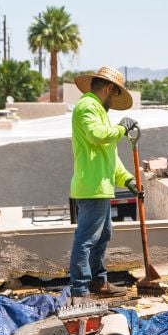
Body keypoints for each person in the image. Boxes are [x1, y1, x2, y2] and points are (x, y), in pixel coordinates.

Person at [68, 66, 140, 301]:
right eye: (115, 95)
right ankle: (80, 290)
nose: (113, 101)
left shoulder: (98, 111)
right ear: (109, 89)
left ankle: (98, 282)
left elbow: (110, 158)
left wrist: (127, 179)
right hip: (91, 187)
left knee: (102, 236)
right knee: (87, 239)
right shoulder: (87, 106)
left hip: (100, 187)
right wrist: (121, 128)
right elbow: (97, 135)